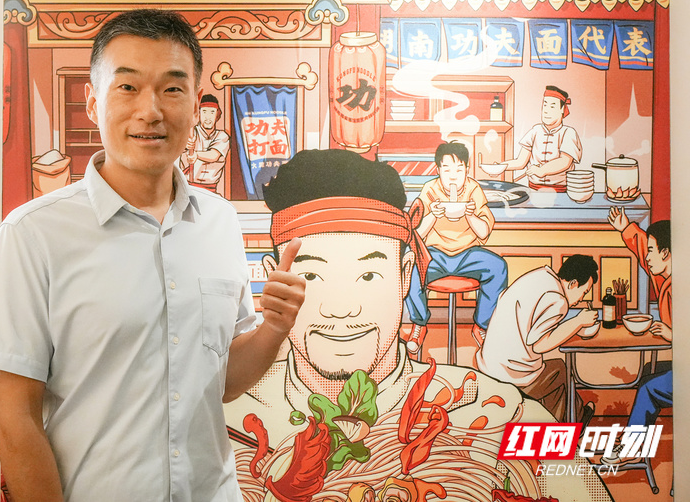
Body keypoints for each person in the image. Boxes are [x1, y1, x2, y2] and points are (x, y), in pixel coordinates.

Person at [0, 9, 306, 501]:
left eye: (172, 88)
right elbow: (13, 420)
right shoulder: (34, 234)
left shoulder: (219, 221)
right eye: (127, 87)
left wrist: (274, 327)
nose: (151, 111)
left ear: (196, 104)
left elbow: (223, 382)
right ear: (93, 102)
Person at [225, 150, 609, 501]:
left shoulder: (504, 412)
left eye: (369, 275)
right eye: (312, 275)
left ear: (405, 275)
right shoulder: (229, 421)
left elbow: (588, 493)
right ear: (275, 278)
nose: (341, 308)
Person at [403, 141, 507, 353]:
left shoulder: (473, 189)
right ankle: (419, 324)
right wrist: (433, 215)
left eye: (459, 170)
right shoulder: (429, 190)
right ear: (438, 169)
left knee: (498, 267)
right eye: (447, 169)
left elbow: (484, 232)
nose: (453, 176)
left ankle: (481, 326)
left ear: (467, 170)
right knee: (409, 264)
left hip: (468, 254)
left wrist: (470, 214)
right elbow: (417, 234)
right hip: (435, 255)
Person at [475, 255, 600, 422]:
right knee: (560, 370)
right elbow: (539, 345)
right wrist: (578, 322)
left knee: (554, 381)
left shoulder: (541, 275)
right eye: (584, 292)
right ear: (573, 283)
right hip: (510, 377)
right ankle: (573, 420)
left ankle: (572, 419)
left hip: (488, 365)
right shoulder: (558, 300)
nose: (581, 299)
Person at [602, 210, 671, 466]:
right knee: (648, 372)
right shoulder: (664, 275)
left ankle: (631, 448)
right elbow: (643, 248)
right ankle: (637, 439)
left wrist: (675, 335)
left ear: (666, 253)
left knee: (648, 388)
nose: (647, 257)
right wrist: (626, 228)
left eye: (653, 251)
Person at [488, 85, 582, 191]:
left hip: (560, 191)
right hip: (533, 189)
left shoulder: (569, 132)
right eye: (545, 105)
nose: (546, 111)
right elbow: (521, 162)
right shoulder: (535, 131)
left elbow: (564, 162)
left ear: (562, 109)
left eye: (552, 107)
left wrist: (542, 170)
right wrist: (500, 167)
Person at [180, 93, 230, 192]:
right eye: (204, 112)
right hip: (188, 189)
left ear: (217, 114)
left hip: (210, 190)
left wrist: (196, 155)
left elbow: (214, 155)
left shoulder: (222, 136)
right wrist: (183, 144)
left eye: (212, 112)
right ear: (198, 113)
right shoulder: (189, 132)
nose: (208, 117)